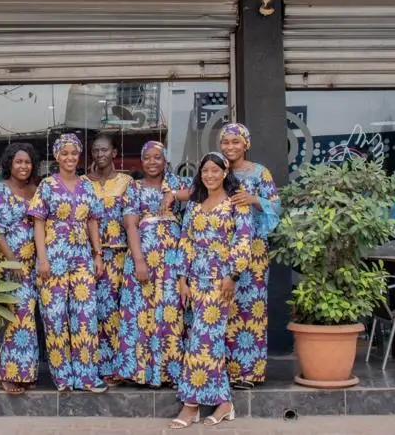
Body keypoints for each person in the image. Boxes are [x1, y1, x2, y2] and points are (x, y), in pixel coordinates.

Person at [170, 152, 253, 429]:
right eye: (205, 170)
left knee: (201, 340)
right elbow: (186, 240)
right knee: (210, 342)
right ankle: (224, 403)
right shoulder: (195, 204)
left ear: (225, 172)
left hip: (221, 282)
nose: (209, 175)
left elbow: (243, 239)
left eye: (215, 171)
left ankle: (190, 405)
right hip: (196, 281)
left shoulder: (236, 202)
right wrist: (182, 278)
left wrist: (233, 275)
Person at [28, 133, 108, 393]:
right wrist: (42, 259)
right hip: (54, 257)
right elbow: (38, 223)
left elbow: (93, 220)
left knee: (85, 316)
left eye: (74, 153)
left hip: (82, 257)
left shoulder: (86, 186)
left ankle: (87, 376)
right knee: (55, 317)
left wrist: (98, 254)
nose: (70, 157)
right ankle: (62, 376)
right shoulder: (47, 185)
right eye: (65, 153)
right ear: (57, 156)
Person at [118, 140, 190, 388]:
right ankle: (139, 372)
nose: (152, 162)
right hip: (143, 258)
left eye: (157, 157)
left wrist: (174, 195)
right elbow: (130, 225)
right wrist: (139, 260)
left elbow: (200, 191)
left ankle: (169, 372)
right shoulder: (134, 188)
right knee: (140, 313)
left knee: (169, 311)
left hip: (172, 259)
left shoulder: (177, 183)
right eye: (147, 157)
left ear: (165, 160)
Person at [218, 122, 280, 389]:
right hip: (222, 249)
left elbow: (276, 206)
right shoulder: (217, 170)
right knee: (224, 305)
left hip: (253, 251)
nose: (230, 147)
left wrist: (253, 199)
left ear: (246, 144)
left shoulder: (259, 172)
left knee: (251, 307)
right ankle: (221, 370)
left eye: (236, 142)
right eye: (225, 142)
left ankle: (248, 372)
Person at [0, 142, 41, 396]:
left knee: (29, 318)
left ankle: (25, 373)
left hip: (33, 266)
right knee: (20, 315)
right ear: (9, 164)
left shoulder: (36, 191)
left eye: (27, 162)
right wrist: (12, 261)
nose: (23, 166)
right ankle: (9, 374)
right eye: (18, 161)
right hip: (9, 266)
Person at [86, 133, 133, 385]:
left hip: (119, 254)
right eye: (96, 150)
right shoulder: (83, 183)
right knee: (92, 311)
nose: (100, 154)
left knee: (115, 310)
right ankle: (97, 366)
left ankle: (118, 366)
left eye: (104, 150)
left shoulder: (126, 182)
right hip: (88, 254)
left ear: (114, 153)